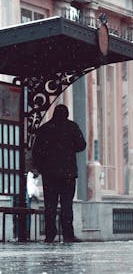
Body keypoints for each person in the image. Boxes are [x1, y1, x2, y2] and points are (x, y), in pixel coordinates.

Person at [31, 105, 87, 244]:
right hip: (68, 173)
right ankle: (68, 234)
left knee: (50, 204)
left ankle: (50, 234)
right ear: (67, 114)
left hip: (50, 174)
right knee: (66, 204)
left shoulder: (45, 129)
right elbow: (82, 145)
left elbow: (36, 150)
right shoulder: (72, 127)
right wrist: (68, 147)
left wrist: (40, 166)